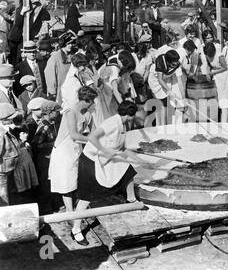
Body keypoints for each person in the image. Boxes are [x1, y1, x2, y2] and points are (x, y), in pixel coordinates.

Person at [71, 101, 144, 245]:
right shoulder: (111, 123)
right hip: (91, 160)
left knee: (128, 170)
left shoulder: (123, 125)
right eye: (134, 114)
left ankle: (131, 200)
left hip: (104, 159)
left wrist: (140, 160)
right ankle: (76, 230)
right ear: (130, 115)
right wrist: (104, 150)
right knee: (86, 197)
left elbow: (123, 150)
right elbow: (92, 137)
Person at [48, 86, 97, 214]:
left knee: (75, 179)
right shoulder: (70, 112)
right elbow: (74, 135)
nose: (94, 103)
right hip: (64, 150)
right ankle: (70, 212)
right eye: (93, 100)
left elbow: (93, 131)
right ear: (87, 100)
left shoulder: (87, 113)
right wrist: (93, 141)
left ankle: (75, 209)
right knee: (66, 182)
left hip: (76, 149)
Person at [31, 100, 61, 214]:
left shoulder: (52, 123)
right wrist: (53, 144)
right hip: (44, 160)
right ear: (50, 112)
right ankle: (46, 209)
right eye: (56, 111)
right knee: (45, 185)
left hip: (51, 158)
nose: (58, 113)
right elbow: (36, 144)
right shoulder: (44, 126)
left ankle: (53, 205)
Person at [204, 42, 228, 123]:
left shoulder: (219, 55)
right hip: (217, 78)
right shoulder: (206, 54)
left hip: (224, 77)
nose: (209, 56)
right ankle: (219, 121)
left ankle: (224, 122)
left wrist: (214, 72)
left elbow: (225, 68)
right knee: (218, 100)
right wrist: (208, 73)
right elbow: (208, 65)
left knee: (225, 101)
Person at [44, 33, 76, 103]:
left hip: (71, 90)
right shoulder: (55, 58)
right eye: (68, 44)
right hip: (59, 92)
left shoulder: (72, 57)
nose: (70, 46)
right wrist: (52, 92)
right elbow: (50, 75)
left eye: (71, 44)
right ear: (63, 44)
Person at [0, 103, 21, 205]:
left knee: (8, 195)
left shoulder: (5, 130)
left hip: (8, 171)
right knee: (3, 198)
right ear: (4, 119)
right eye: (11, 118)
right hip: (1, 174)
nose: (13, 120)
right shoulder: (0, 134)